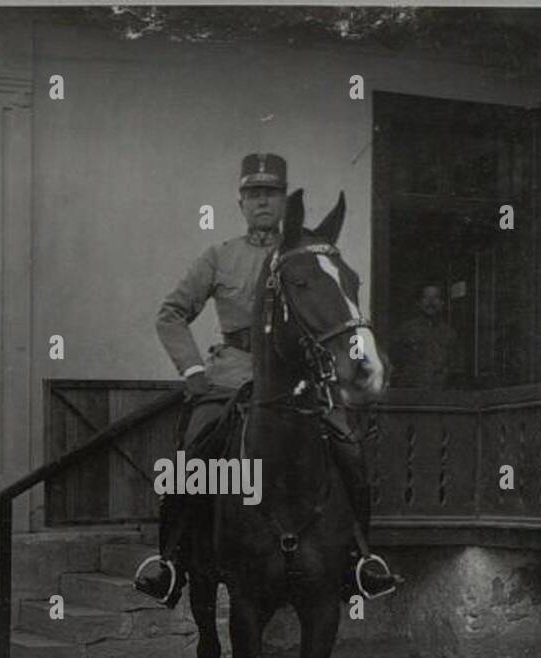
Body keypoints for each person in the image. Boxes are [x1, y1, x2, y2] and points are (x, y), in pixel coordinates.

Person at [133, 152, 400, 607]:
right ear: (240, 202)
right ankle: (172, 560)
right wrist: (193, 370)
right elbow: (170, 314)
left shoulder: (307, 253)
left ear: (283, 202)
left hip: (301, 382)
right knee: (194, 456)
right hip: (233, 376)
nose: (262, 202)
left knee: (347, 449)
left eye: (272, 194)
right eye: (253, 194)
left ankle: (360, 557)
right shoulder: (220, 257)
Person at [388, 282, 464, 389]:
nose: (430, 302)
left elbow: (457, 368)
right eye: (426, 298)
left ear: (442, 303)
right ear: (418, 303)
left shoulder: (450, 334)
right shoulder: (405, 331)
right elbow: (393, 363)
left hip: (441, 394)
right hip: (411, 394)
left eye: (435, 298)